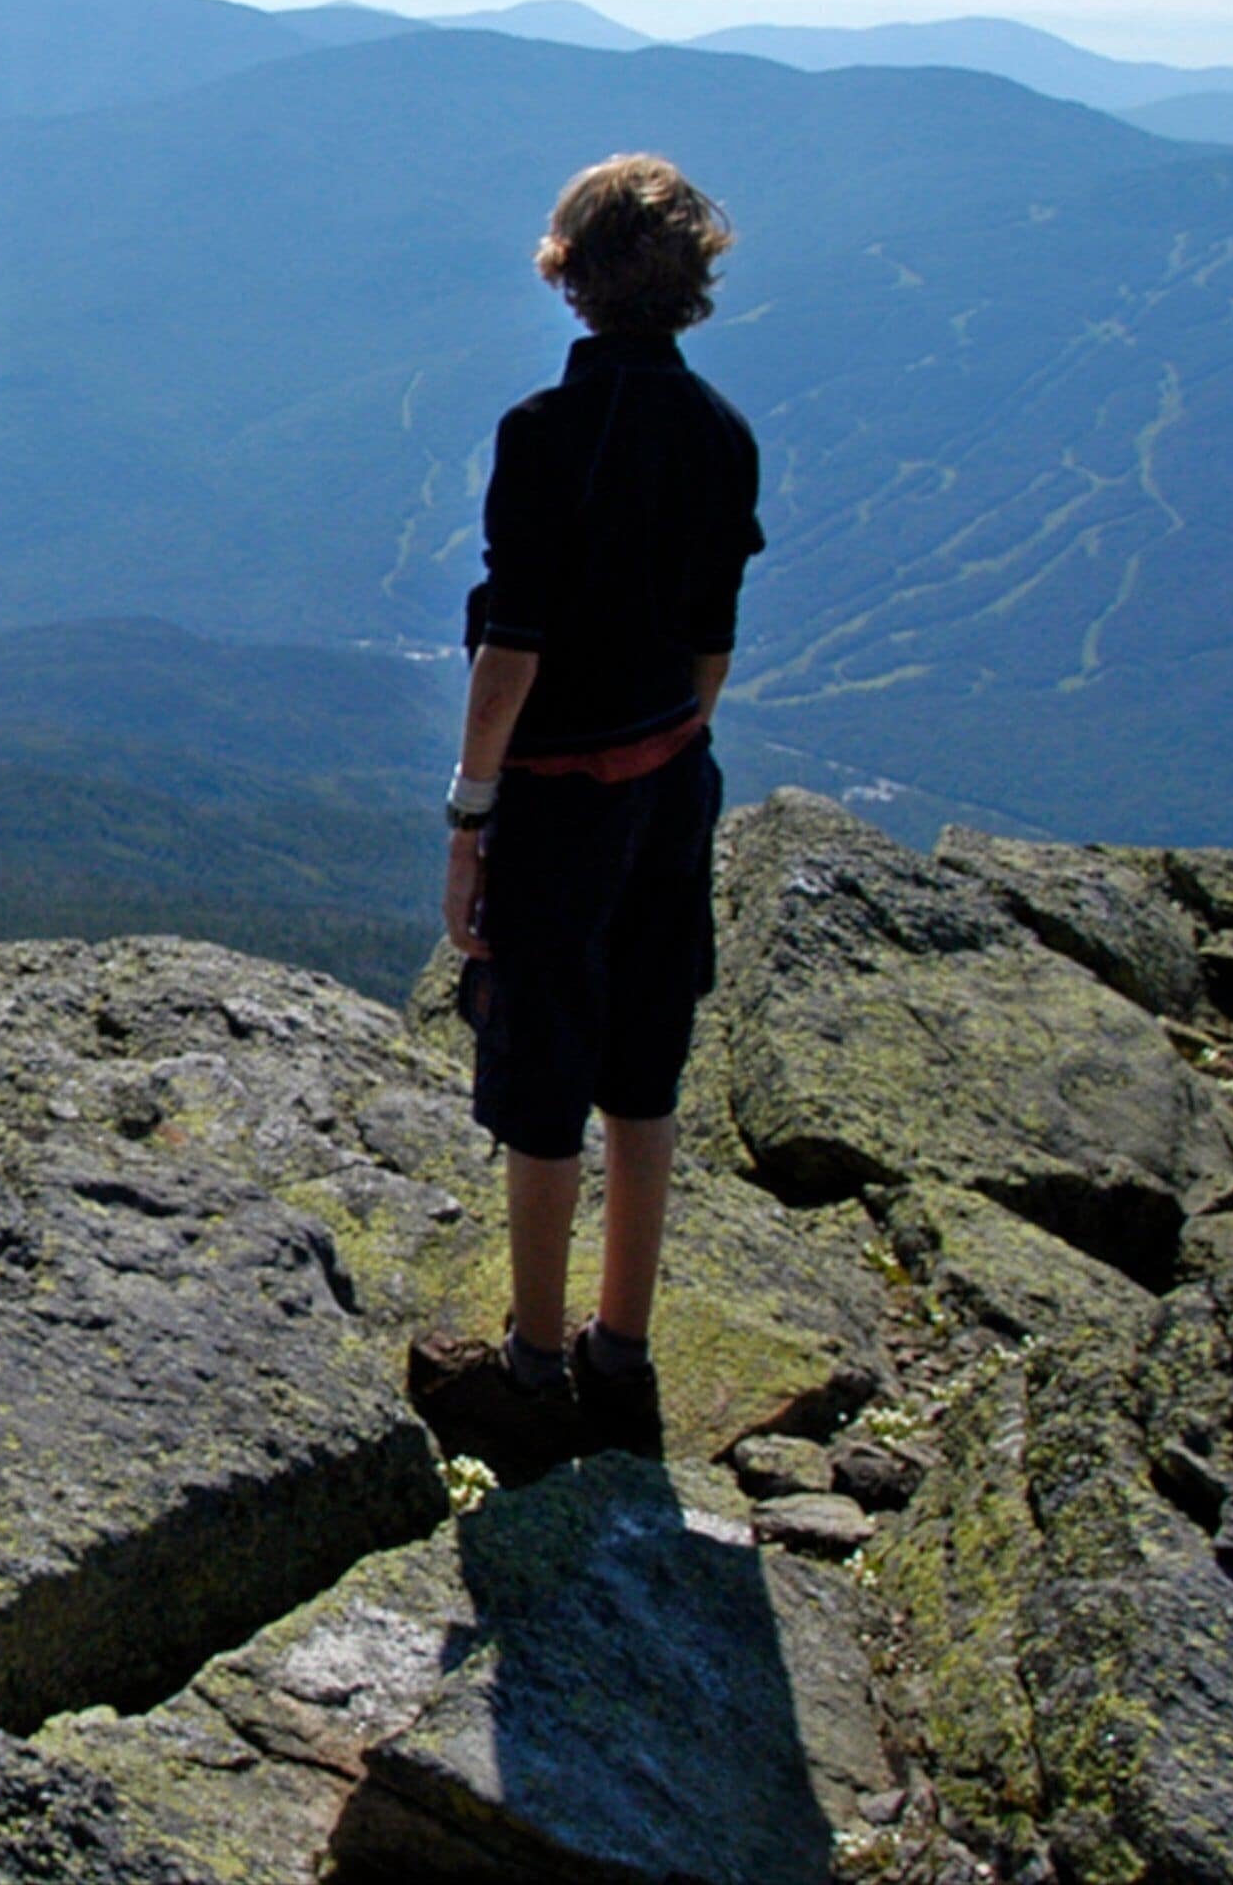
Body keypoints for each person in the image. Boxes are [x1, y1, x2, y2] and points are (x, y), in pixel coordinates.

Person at [413, 152, 764, 1475]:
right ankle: (626, 1355)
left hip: (563, 803)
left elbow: (514, 649)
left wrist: (471, 814)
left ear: (569, 271)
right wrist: (671, 761)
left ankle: (535, 1366)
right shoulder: (723, 433)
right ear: (692, 278)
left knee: (545, 1070)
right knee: (646, 1058)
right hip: (677, 774)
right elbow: (713, 647)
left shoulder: (544, 435)